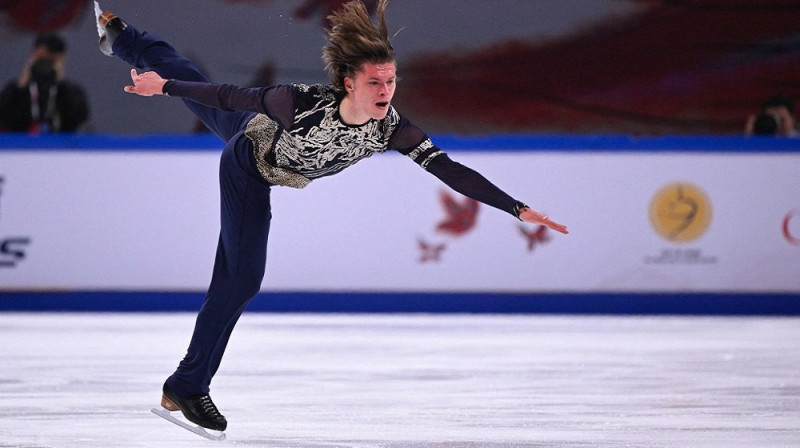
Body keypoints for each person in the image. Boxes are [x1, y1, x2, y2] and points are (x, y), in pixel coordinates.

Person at [96, 0, 568, 433]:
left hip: (258, 138)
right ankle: (187, 385)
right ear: (349, 83)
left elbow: (448, 168)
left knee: (181, 69)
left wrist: (517, 207)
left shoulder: (391, 128)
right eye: (374, 82)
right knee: (241, 280)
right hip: (249, 162)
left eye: (391, 80)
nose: (386, 91)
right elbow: (228, 94)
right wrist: (165, 89)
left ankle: (117, 35)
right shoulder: (299, 103)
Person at [0, 33, 89, 133]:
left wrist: (61, 82)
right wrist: (21, 84)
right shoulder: (17, 89)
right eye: (40, 58)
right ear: (32, 55)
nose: (45, 63)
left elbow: (80, 117)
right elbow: (3, 116)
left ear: (61, 57)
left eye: (50, 59)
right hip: (21, 145)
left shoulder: (72, 91)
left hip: (62, 145)